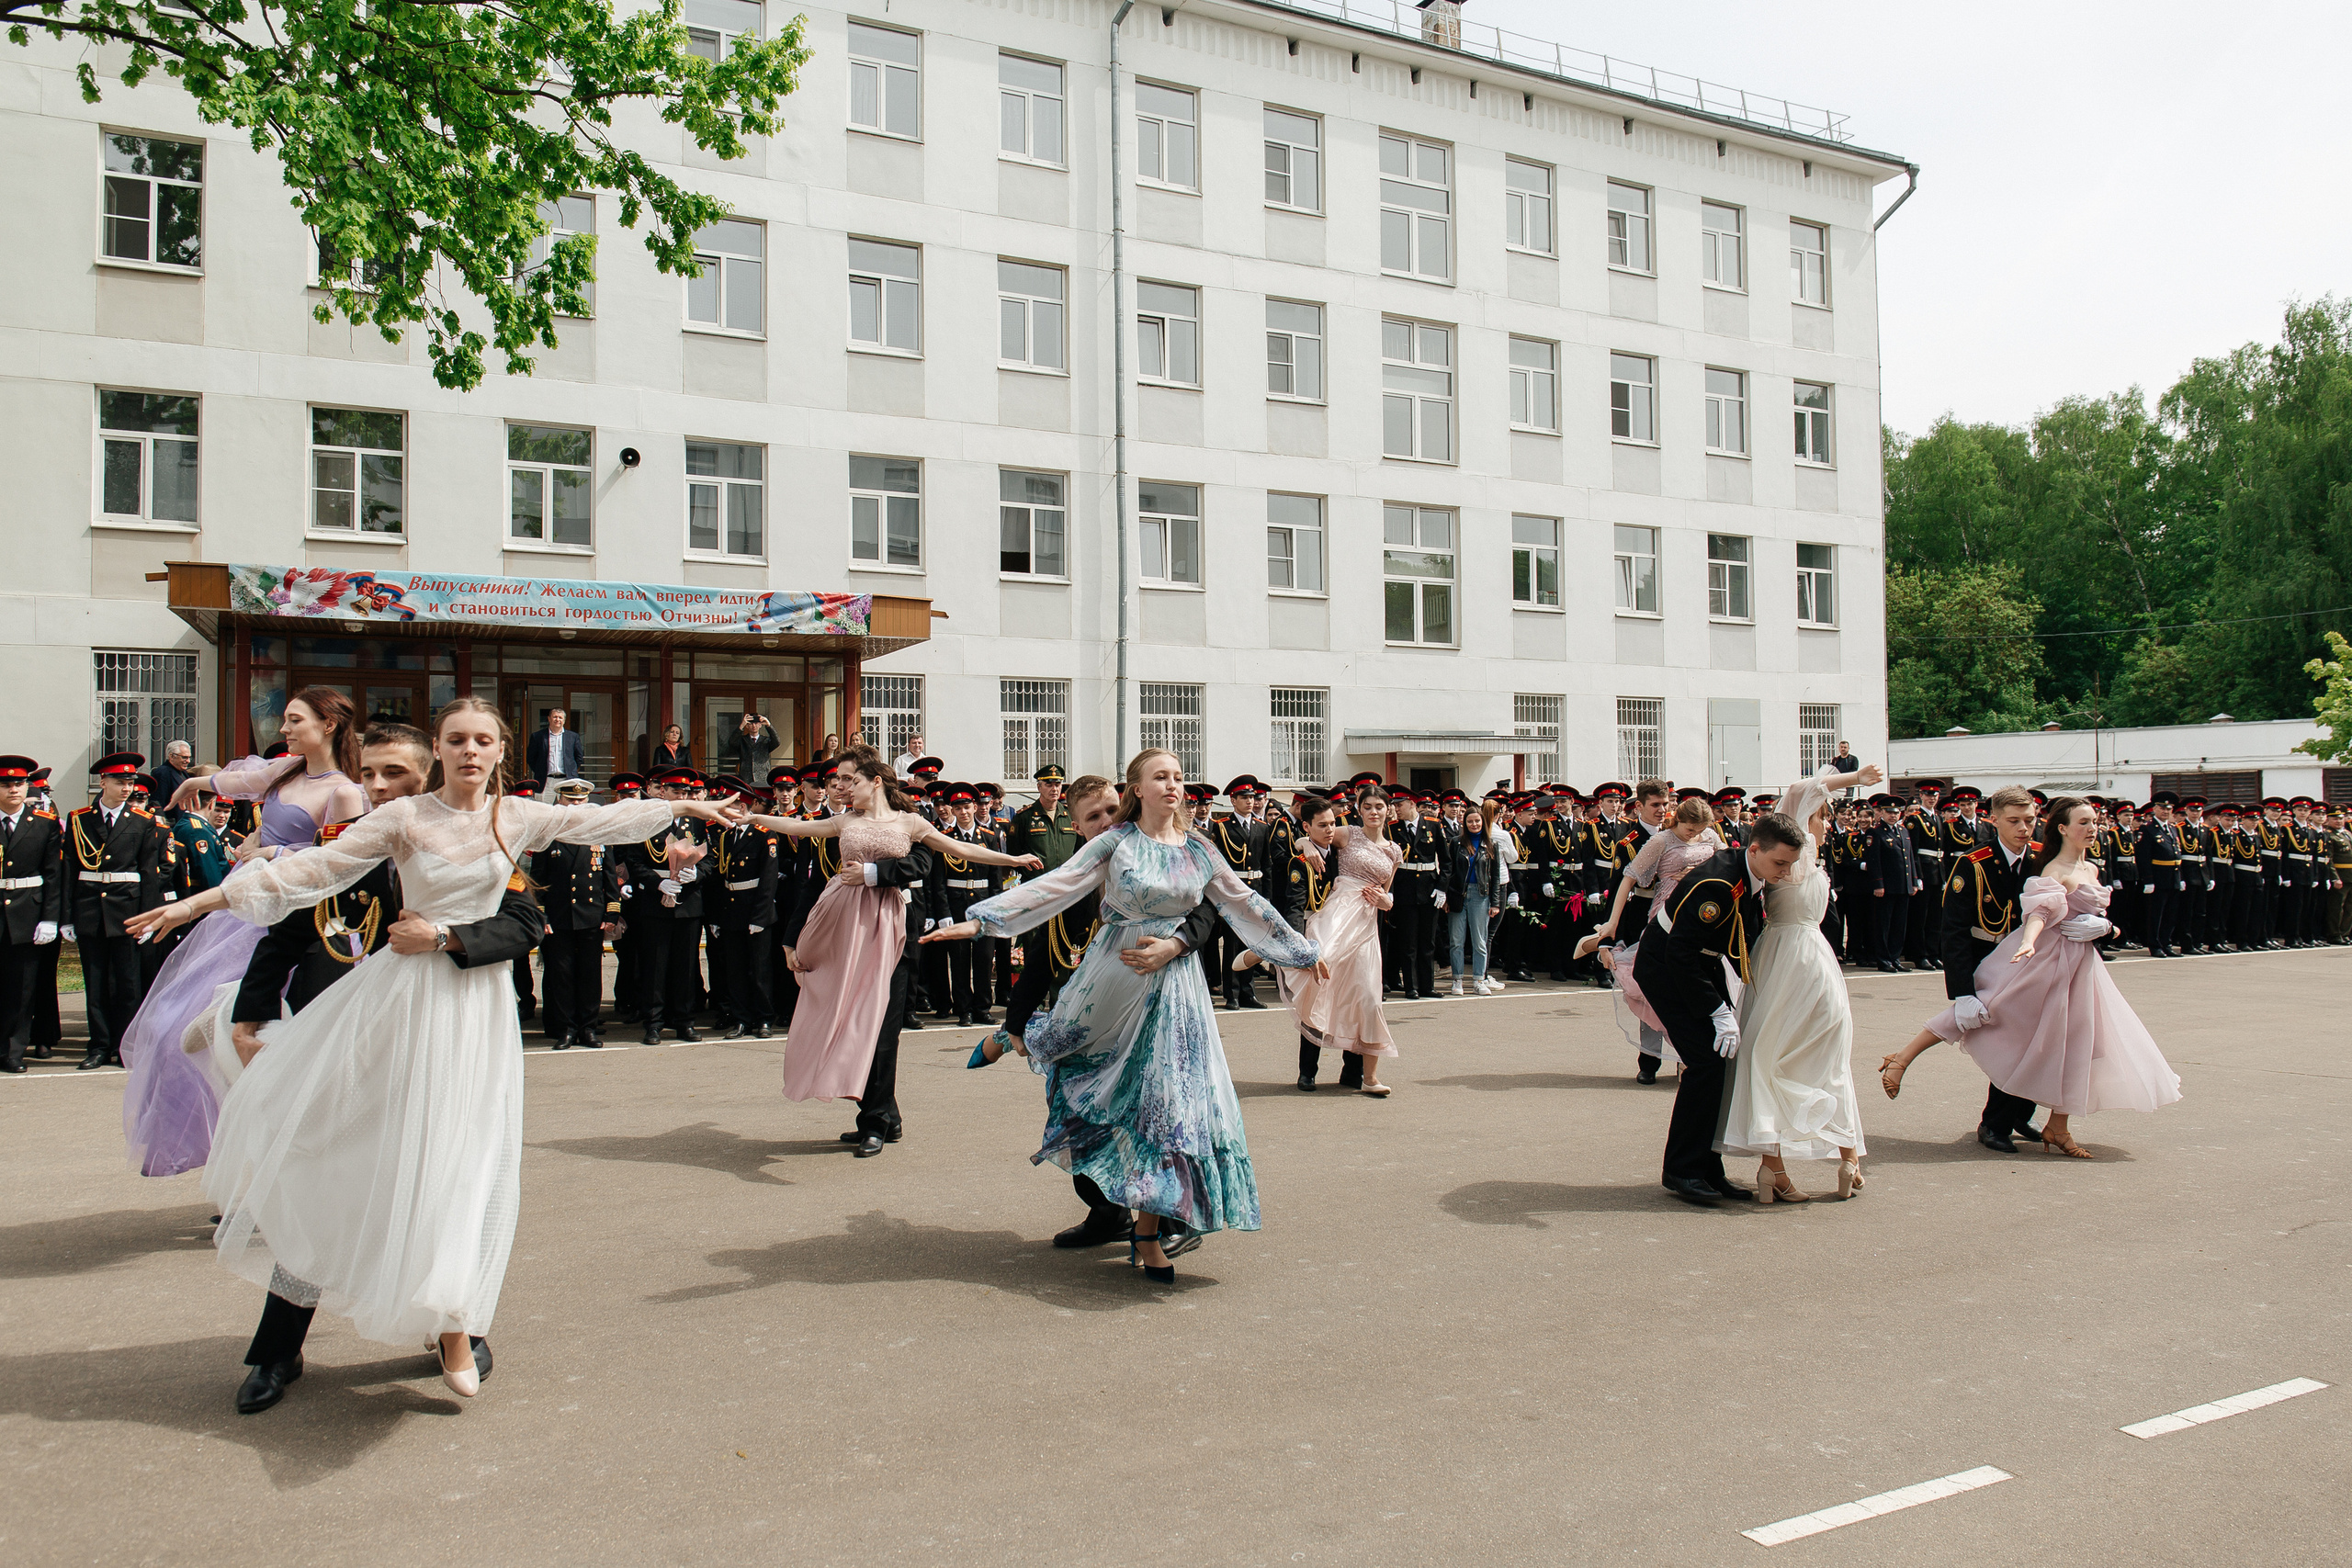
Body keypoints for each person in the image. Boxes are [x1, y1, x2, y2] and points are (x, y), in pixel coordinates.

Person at [127, 696, 738, 1410]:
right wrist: (196, 905)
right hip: (381, 1015)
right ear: (441, 752)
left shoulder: (516, 820)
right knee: (329, 1168)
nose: (469, 751)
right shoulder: (393, 824)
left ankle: (454, 1323)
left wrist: (687, 810)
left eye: (482, 739)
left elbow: (586, 832)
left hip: (471, 1020)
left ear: (500, 749)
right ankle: (279, 1351)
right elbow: (302, 881)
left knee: (458, 1168)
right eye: (457, 739)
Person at [944, 750, 1319, 1284]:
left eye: (1176, 776)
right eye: (1159, 776)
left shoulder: (1199, 848)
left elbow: (1244, 902)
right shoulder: (1116, 843)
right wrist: (980, 922)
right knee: (1092, 1077)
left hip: (1177, 988)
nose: (1172, 783)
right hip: (1113, 978)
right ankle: (1017, 1043)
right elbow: (1057, 885)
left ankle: (1148, 1233)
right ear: (1136, 789)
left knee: (1170, 1099)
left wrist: (1301, 949)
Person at [937, 774, 1221, 1247]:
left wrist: (1175, 945)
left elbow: (1207, 911)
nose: (1109, 822)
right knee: (1077, 1110)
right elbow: (1044, 959)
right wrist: (1015, 1025)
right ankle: (1106, 1213)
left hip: (1157, 1010)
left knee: (1161, 1112)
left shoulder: (1168, 859)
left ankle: (1174, 1220)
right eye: (1095, 817)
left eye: (1114, 810)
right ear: (1076, 827)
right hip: (1091, 1024)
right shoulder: (1074, 881)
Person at [747, 751, 1035, 1156]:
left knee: (880, 1027)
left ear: (875, 781)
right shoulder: (845, 821)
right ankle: (885, 1117)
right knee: (849, 1021)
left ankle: (877, 1122)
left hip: (888, 925)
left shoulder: (910, 822)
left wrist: (1013, 858)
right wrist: (752, 818)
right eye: (840, 781)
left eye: (851, 780)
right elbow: (793, 824)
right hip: (842, 922)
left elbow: (962, 850)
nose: (844, 787)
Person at [1880, 796, 2181, 1158]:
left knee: (2042, 1038)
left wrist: (2104, 928)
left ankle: (2022, 1115)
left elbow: (2062, 906)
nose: (2024, 829)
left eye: (2029, 820)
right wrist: (1962, 991)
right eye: (2014, 821)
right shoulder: (1974, 863)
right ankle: (1994, 1122)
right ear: (1994, 821)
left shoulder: (2042, 856)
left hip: (2045, 960)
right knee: (2005, 1028)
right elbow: (1954, 932)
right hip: (1989, 955)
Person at [1719, 762, 1883, 1201]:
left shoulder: (1801, 856)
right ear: (1804, 818)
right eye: (1823, 814)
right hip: (1808, 959)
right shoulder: (1797, 850)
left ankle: (1773, 1168)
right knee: (1825, 1059)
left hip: (1785, 960)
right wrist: (1853, 779)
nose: (1827, 823)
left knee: (1770, 1056)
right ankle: (1848, 1159)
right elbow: (1797, 787)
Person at [1637, 814, 1805, 1207]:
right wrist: (1716, 1010)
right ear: (1755, 849)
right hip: (1666, 968)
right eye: (1779, 863)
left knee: (1720, 1062)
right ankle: (1682, 1170)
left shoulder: (1747, 874)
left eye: (1790, 865)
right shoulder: (1718, 884)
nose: (1784, 873)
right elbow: (1679, 954)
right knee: (1706, 1065)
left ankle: (1708, 1168)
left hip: (1697, 963)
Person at [1238, 782, 1400, 1096]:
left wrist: (1387, 902)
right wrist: (1306, 845)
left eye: (1379, 807)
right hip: (1338, 914)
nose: (1373, 813)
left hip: (1366, 925)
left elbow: (1387, 889)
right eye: (1367, 807)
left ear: (1387, 810)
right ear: (1358, 809)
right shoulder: (1347, 833)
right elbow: (1310, 835)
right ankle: (1273, 949)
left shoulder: (1394, 850)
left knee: (1365, 996)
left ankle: (1363, 1075)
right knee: (1317, 975)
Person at [1577, 794, 1725, 1081]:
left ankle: (1690, 1057)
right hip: (1667, 913)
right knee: (1656, 988)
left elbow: (1727, 861)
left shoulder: (1709, 834)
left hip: (1703, 913)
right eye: (1689, 830)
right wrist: (1611, 924)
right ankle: (1650, 1061)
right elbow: (1627, 878)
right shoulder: (1661, 840)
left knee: (1701, 985)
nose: (1694, 834)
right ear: (1678, 819)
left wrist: (1699, 872)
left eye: (1699, 830)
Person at [69, 751, 179, 1075]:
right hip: (90, 909)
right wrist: (65, 917)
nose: (127, 788)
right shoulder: (79, 819)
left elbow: (148, 872)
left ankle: (123, 1046)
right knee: (97, 983)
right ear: (103, 782)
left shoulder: (142, 821)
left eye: (131, 782)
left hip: (128, 910)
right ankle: (98, 1046)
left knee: (128, 984)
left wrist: (149, 917)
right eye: (120, 782)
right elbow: (69, 870)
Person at [613, 766, 710, 1044]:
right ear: (662, 791)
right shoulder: (648, 821)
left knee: (686, 966)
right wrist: (658, 883)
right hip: (655, 903)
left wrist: (697, 873)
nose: (681, 796)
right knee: (655, 966)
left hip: (688, 903)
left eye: (685, 792)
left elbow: (709, 859)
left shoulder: (695, 822)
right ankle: (653, 1023)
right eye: (675, 791)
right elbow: (634, 861)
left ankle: (684, 1021)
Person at [535, 776, 623, 1048]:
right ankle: (566, 1030)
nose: (575, 804)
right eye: (570, 800)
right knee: (561, 977)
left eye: (580, 800)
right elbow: (537, 880)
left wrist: (611, 914)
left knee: (589, 976)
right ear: (559, 800)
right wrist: (542, 915)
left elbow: (609, 878)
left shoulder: (597, 834)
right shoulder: (549, 834)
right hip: (559, 917)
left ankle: (588, 1028)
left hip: (591, 916)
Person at [0, 755, 63, 1073]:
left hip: (27, 911)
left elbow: (53, 874)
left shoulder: (43, 823)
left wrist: (50, 918)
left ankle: (13, 1051)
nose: (14, 789)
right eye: (6, 784)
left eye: (19, 783)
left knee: (22, 988)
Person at [1443, 801, 1512, 998]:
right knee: (1456, 940)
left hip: (1480, 896)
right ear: (1465, 823)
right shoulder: (1456, 843)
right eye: (1470, 821)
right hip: (1458, 895)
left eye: (1477, 821)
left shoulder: (1491, 844)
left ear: (1483, 822)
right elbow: (1449, 872)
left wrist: (1495, 903)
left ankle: (1478, 980)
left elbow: (1496, 877)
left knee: (1480, 941)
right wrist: (1447, 897)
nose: (1474, 824)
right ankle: (1457, 980)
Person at [526, 707, 583, 784]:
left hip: (567, 779)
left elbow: (579, 757)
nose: (557, 720)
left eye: (560, 717)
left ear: (564, 720)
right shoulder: (537, 736)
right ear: (549, 719)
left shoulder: (573, 737)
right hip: (545, 780)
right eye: (555, 717)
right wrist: (539, 771)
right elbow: (531, 758)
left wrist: (571, 771)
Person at [730, 711, 779, 784]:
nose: (754, 726)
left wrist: (769, 725)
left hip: (762, 777)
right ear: (747, 726)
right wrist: (741, 726)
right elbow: (732, 742)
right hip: (746, 778)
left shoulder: (765, 740)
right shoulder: (742, 740)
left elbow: (777, 742)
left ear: (760, 725)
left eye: (756, 723)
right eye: (751, 723)